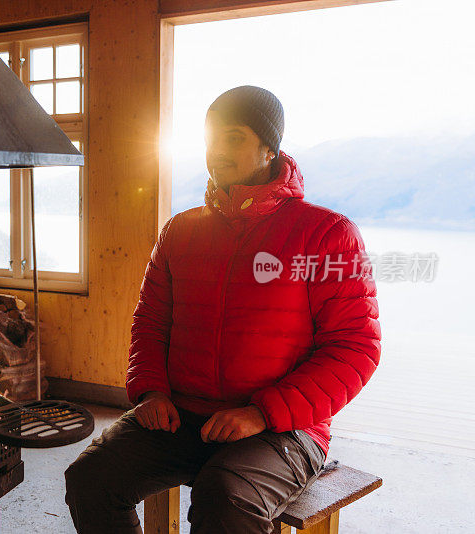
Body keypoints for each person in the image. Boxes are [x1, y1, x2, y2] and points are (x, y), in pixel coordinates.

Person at [64, 85, 381, 534]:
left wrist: (262, 413)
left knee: (224, 497)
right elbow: (151, 322)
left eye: (233, 137)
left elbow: (355, 347)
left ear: (270, 147)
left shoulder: (327, 233)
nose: (217, 151)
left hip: (284, 428)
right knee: (90, 478)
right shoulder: (181, 231)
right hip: (181, 414)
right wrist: (152, 391)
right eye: (212, 139)